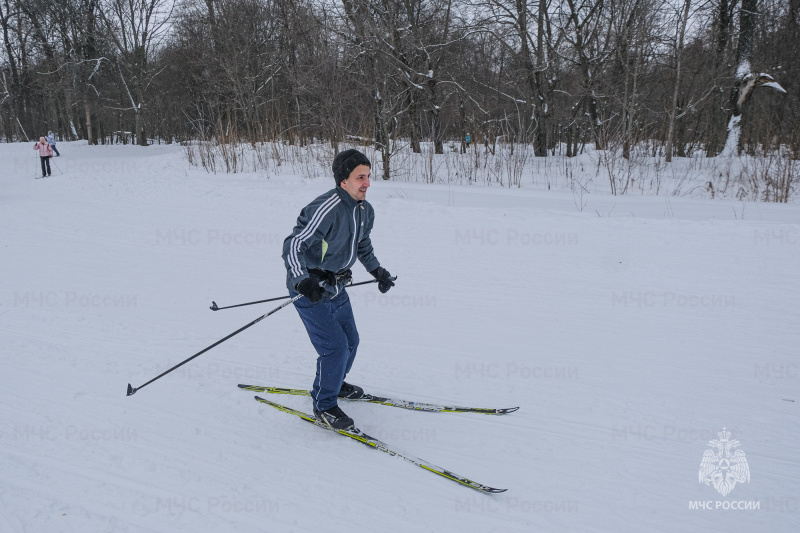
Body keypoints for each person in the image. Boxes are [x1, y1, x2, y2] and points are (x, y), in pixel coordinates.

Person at [282, 149, 395, 430]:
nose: (367, 183)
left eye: (368, 176)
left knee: (351, 341)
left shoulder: (363, 210)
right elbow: (294, 245)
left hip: (337, 286)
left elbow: (362, 245)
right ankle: (324, 404)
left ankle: (334, 382)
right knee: (335, 348)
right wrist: (301, 280)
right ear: (343, 180)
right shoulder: (327, 208)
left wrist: (377, 271)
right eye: (360, 177)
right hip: (310, 290)